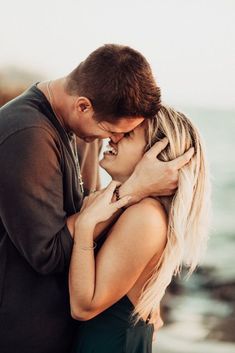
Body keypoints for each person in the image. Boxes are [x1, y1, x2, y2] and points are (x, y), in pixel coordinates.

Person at [0, 44, 193, 353]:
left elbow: (91, 214)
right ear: (83, 106)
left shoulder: (84, 129)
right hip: (24, 334)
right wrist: (133, 190)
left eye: (125, 135)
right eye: (111, 130)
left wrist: (144, 289)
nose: (111, 140)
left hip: (68, 334)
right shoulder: (26, 133)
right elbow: (49, 253)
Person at [69, 105, 211, 353]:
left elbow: (84, 307)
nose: (114, 136)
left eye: (128, 134)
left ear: (155, 155)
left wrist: (84, 229)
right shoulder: (132, 206)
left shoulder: (145, 216)